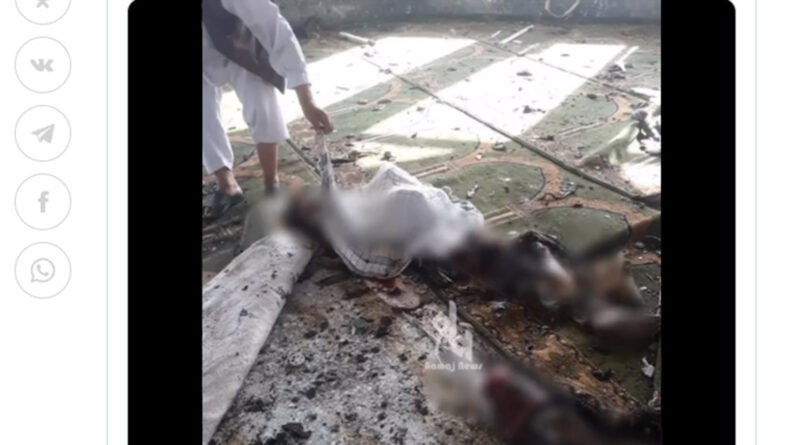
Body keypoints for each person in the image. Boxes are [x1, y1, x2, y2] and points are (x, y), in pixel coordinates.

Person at [202, 0, 333, 219]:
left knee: (261, 106)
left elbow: (277, 30)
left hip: (241, 43)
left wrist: (307, 101)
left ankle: (271, 183)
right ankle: (226, 185)